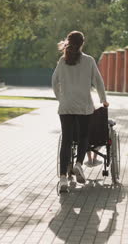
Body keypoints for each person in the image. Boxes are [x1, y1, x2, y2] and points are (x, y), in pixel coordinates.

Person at [52, 31, 109, 192]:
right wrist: (103, 99)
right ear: (82, 43)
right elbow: (98, 81)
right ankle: (78, 164)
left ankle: (63, 179)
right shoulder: (89, 60)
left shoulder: (62, 61)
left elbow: (54, 81)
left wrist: (60, 98)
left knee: (67, 141)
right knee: (84, 136)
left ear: (68, 42)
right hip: (84, 106)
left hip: (66, 106)